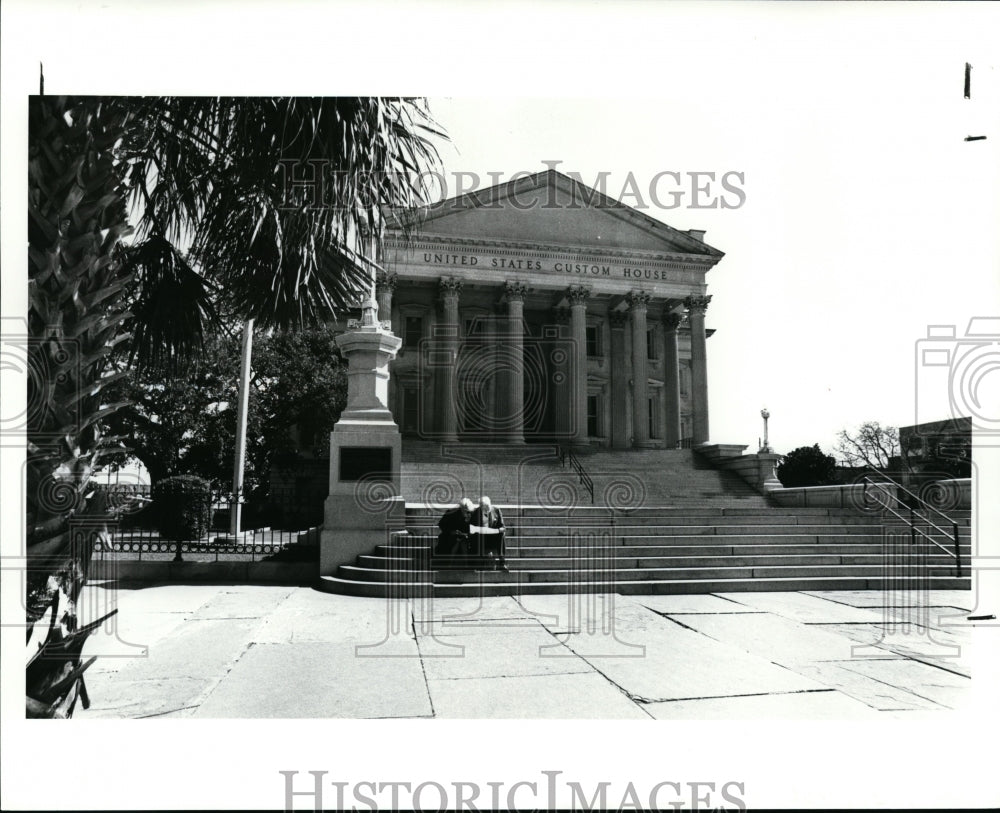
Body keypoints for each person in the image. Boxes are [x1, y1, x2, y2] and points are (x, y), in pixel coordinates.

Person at [471, 496, 507, 572]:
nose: (486, 510)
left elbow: (502, 525)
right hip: (481, 537)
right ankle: (476, 563)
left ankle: (502, 562)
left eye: (488, 507)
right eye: (484, 508)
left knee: (501, 535)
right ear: (480, 506)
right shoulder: (475, 512)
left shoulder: (496, 510)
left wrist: (501, 529)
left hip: (493, 536)